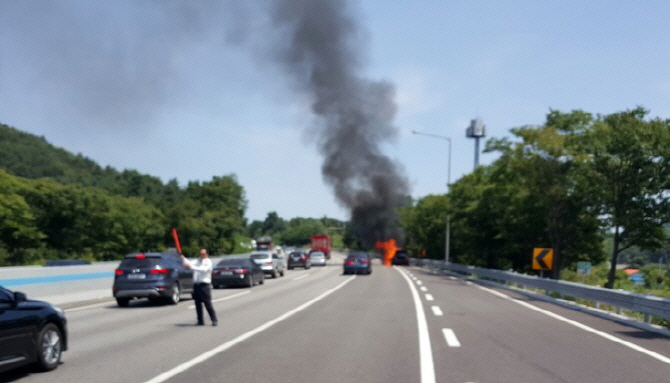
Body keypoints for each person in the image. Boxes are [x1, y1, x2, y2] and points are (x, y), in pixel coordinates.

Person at [181, 249, 218, 326]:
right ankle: (200, 320)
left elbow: (203, 270)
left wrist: (191, 267)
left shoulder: (208, 262)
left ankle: (214, 319)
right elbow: (188, 263)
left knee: (207, 303)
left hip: (205, 285)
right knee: (197, 304)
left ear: (207, 254)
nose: (202, 255)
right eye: (201, 254)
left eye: (203, 254)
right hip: (197, 285)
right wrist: (183, 258)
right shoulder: (197, 261)